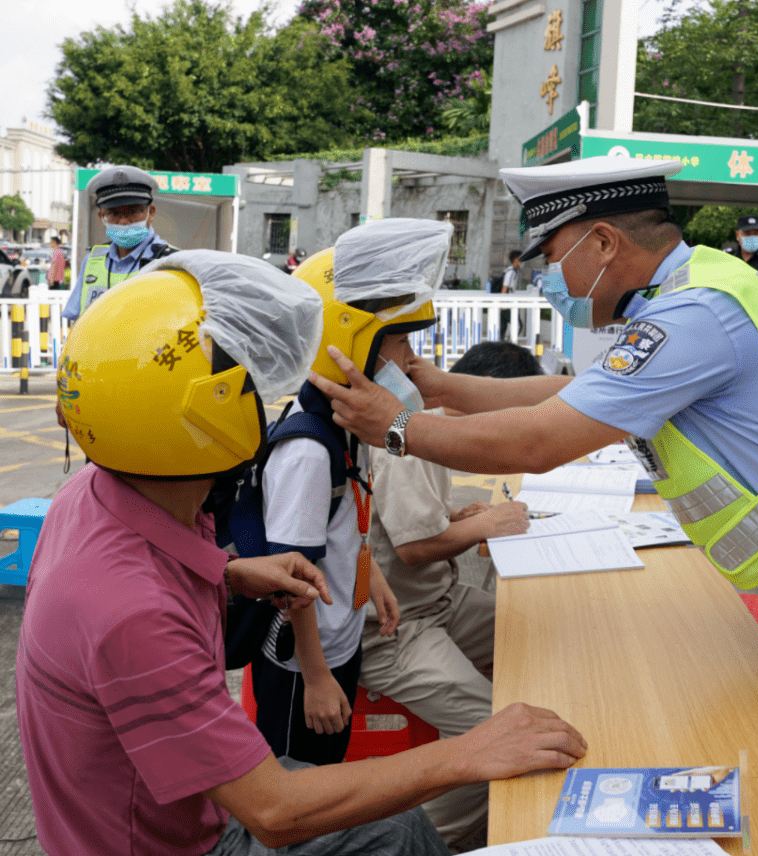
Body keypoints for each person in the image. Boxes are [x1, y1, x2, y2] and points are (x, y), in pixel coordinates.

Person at [307, 155, 758, 853]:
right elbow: (569, 395)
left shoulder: (693, 316)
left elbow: (543, 440)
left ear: (603, 243)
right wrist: (443, 388)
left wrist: (396, 426)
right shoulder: (696, 291)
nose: (547, 280)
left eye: (551, 257)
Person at [18, 250, 586, 856]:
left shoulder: (91, 493)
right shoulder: (135, 615)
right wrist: (469, 753)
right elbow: (274, 812)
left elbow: (119, 590)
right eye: (245, 387)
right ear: (206, 416)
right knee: (400, 833)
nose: (263, 402)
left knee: (400, 823)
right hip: (170, 841)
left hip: (155, 797)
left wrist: (230, 572)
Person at [250, 225, 422, 769]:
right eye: (402, 343)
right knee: (303, 783)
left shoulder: (349, 423)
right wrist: (319, 679)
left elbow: (347, 522)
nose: (413, 361)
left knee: (329, 765)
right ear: (350, 345)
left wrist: (375, 585)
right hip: (305, 662)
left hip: (339, 639)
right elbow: (292, 577)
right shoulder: (307, 449)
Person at [361, 339, 538, 848]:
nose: (414, 360)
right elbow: (415, 547)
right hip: (398, 628)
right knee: (492, 731)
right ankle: (434, 840)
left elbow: (409, 524)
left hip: (439, 601)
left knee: (539, 635)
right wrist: (491, 525)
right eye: (403, 346)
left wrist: (456, 519)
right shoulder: (398, 431)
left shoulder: (413, 422)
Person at [56, 164, 177, 428]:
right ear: (102, 216)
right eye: (114, 213)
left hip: (147, 388)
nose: (123, 221)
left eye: (133, 212)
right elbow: (76, 328)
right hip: (95, 386)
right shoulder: (94, 260)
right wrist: (63, 388)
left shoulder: (171, 262)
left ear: (150, 212)